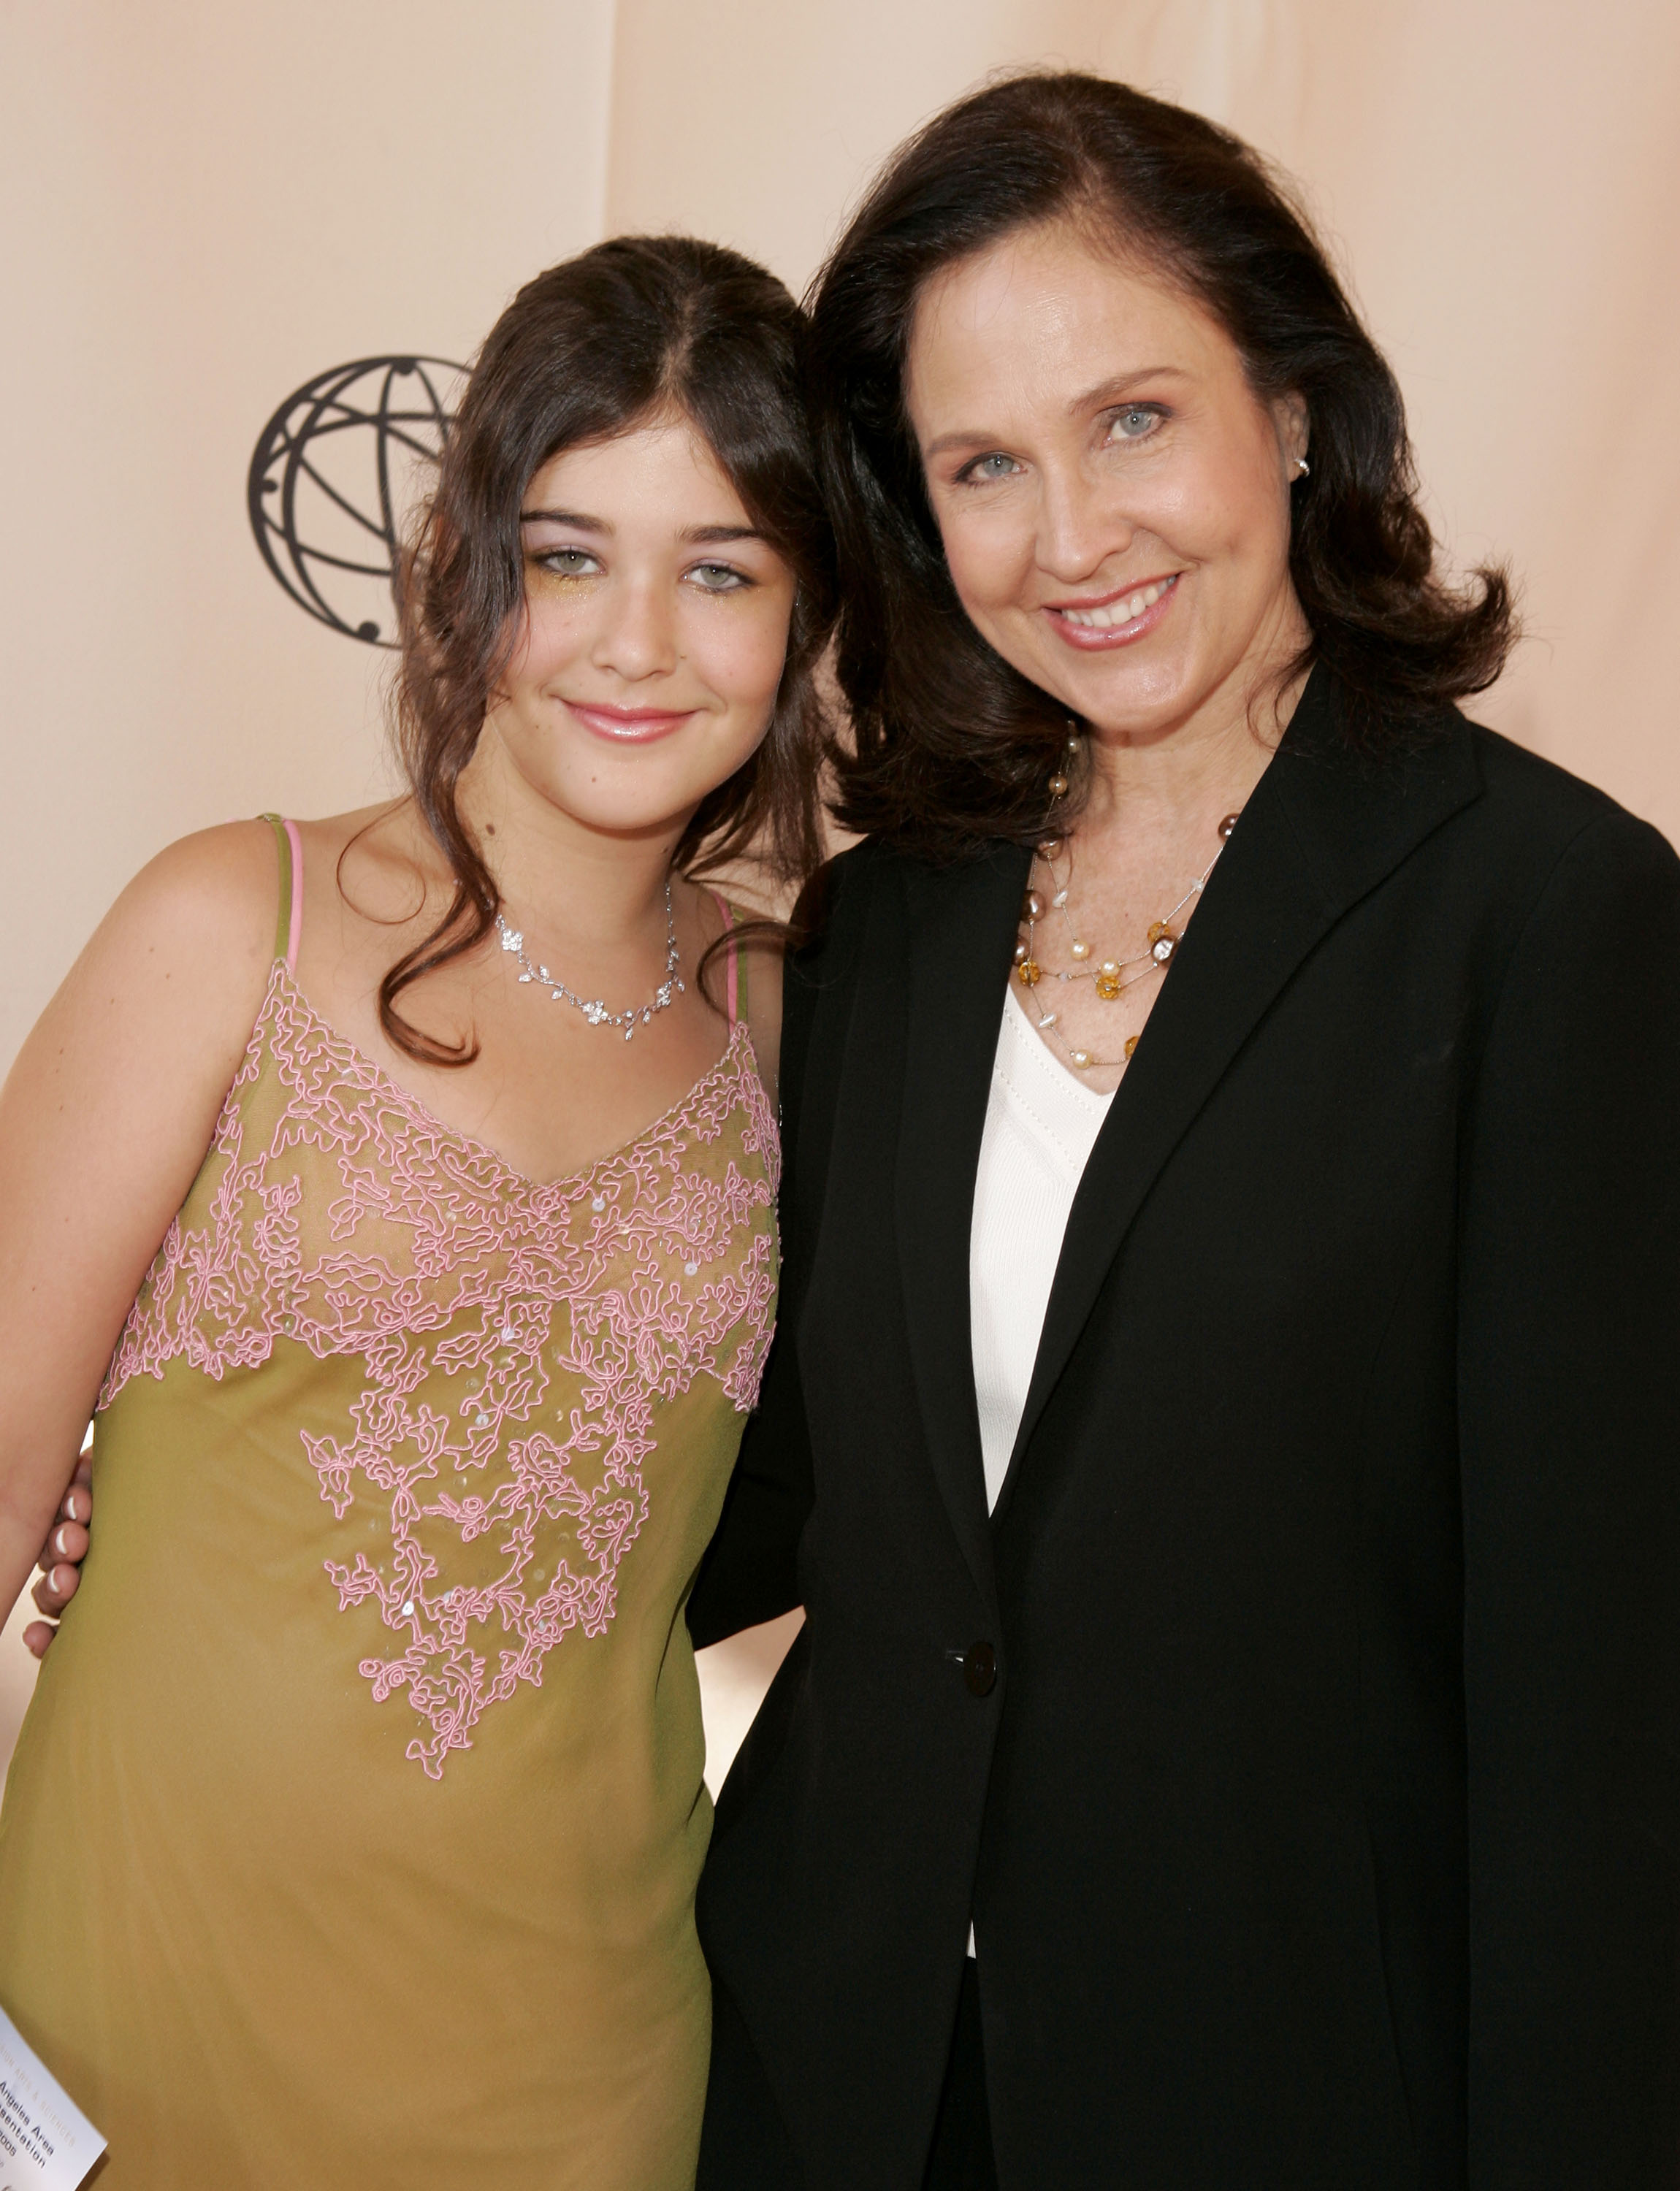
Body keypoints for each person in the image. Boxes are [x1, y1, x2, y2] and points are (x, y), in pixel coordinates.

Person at [685, 72, 1680, 2189]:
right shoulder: (889, 915)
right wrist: (306, 1500)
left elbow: (1594, 1713)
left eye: (1132, 419)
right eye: (982, 465)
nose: (1069, 539)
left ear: (1295, 409)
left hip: (1289, 2088)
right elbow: (789, 1485)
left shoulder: (1551, 921)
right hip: (833, 2069)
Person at [0, 232, 833, 2190]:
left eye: (719, 571)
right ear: (459, 573)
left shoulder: (812, 1028)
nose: (639, 642)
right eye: (569, 555)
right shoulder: (230, 920)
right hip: (140, 2010)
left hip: (583, 2057)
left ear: (806, 628)